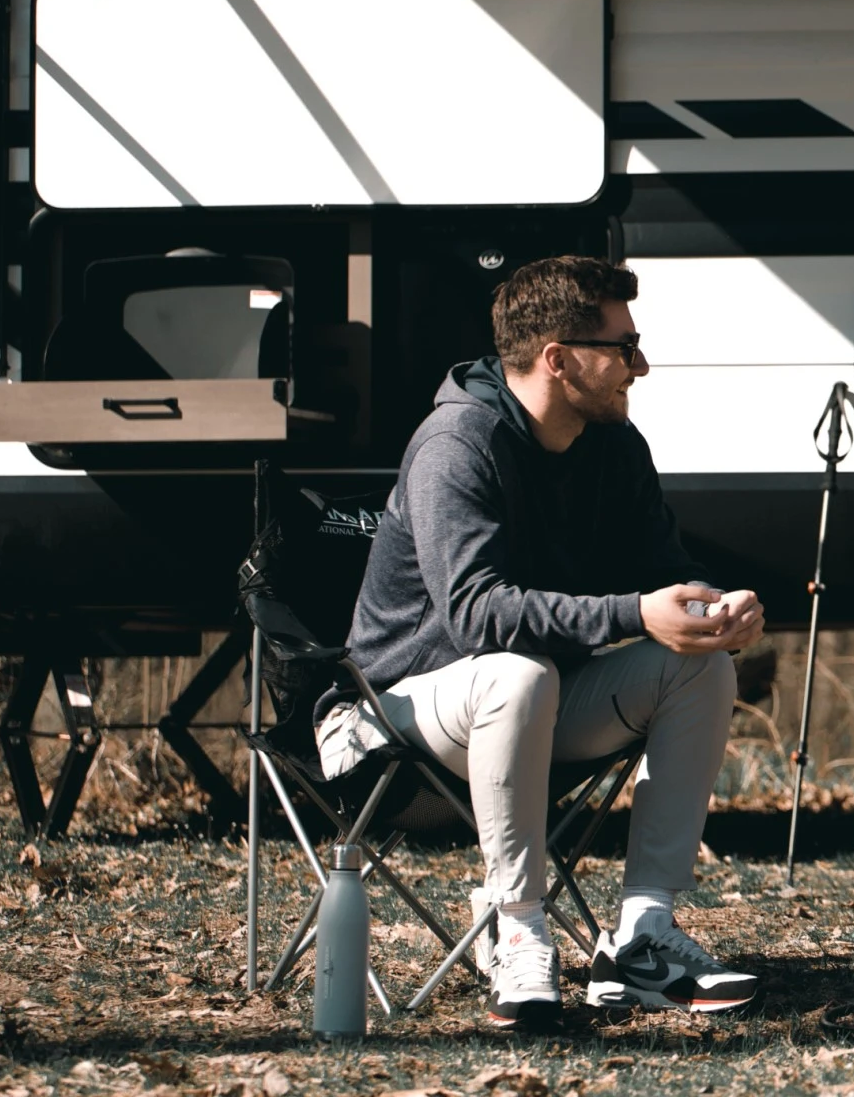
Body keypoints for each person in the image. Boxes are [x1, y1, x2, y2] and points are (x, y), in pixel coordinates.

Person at [324, 255, 762, 1029]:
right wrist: (635, 615)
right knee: (515, 674)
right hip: (392, 719)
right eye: (622, 348)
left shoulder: (614, 447)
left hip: (534, 708)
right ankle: (516, 924)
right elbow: (475, 617)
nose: (641, 365)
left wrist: (715, 609)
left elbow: (665, 568)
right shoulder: (457, 444)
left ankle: (643, 935)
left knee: (697, 671)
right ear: (558, 360)